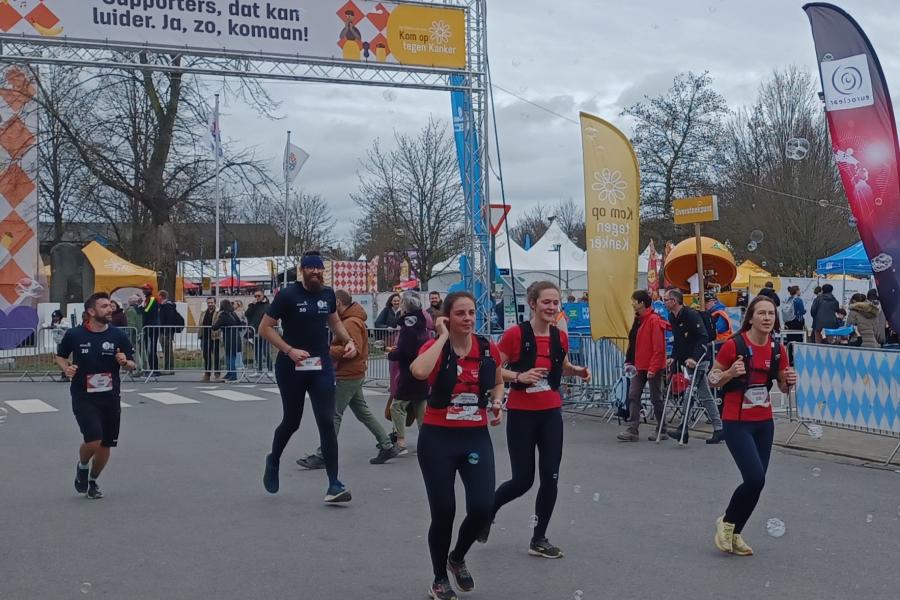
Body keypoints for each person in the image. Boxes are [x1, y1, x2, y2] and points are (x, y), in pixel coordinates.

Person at [484, 281, 590, 559]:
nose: (552, 307)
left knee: (551, 477)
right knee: (522, 480)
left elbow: (561, 367)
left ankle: (539, 538)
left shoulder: (560, 337)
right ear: (532, 303)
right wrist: (518, 376)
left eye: (556, 303)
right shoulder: (515, 335)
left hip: (550, 413)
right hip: (522, 414)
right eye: (546, 302)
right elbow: (491, 368)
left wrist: (577, 371)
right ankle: (487, 512)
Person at [410, 292, 504, 600]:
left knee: (482, 506)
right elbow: (419, 372)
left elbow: (498, 379)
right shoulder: (437, 347)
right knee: (444, 511)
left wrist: (497, 401)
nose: (468, 318)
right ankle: (439, 578)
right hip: (438, 437)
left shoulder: (488, 347)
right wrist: (442, 337)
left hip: (474, 435)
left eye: (471, 312)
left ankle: (457, 556)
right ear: (448, 317)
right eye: (460, 313)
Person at [258, 251, 358, 504]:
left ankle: (334, 484)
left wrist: (349, 341)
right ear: (302, 270)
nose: (316, 273)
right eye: (311, 269)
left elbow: (334, 322)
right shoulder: (288, 295)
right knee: (292, 421)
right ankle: (274, 459)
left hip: (320, 365)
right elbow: (264, 328)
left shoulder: (327, 295)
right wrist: (289, 350)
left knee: (326, 420)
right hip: (291, 366)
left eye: (319, 269)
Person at [708, 296, 796, 556]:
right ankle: (726, 522)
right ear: (751, 318)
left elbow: (783, 386)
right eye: (762, 313)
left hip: (763, 422)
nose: (767, 318)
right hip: (737, 422)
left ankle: (735, 533)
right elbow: (711, 379)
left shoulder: (777, 349)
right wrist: (729, 374)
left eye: (771, 314)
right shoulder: (733, 345)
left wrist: (789, 380)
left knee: (757, 483)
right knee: (754, 477)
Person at [295, 290, 400, 469]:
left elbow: (353, 350)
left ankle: (323, 455)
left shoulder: (350, 323)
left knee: (333, 414)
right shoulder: (353, 319)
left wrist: (326, 350)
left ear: (337, 303)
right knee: (362, 412)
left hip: (348, 374)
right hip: (353, 373)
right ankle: (387, 445)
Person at [54, 292, 136, 500]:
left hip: (110, 396)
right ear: (91, 311)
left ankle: (92, 480)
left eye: (110, 306)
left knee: (106, 444)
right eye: (104, 306)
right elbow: (60, 356)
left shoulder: (118, 335)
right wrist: (66, 368)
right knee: (93, 439)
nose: (110, 309)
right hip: (84, 395)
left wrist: (125, 362)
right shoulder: (75, 334)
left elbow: (133, 364)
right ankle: (82, 466)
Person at [665, 289, 724, 444]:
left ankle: (683, 429)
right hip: (687, 359)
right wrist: (673, 357)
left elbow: (703, 337)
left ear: (674, 301)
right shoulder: (672, 317)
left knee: (689, 392)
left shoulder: (691, 314)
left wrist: (695, 358)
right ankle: (719, 428)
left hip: (699, 359)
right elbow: (679, 341)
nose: (664, 302)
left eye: (666, 300)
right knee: (705, 395)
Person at [617, 290, 668, 442]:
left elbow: (659, 348)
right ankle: (633, 429)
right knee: (633, 395)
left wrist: (653, 368)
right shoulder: (640, 320)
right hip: (639, 366)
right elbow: (633, 344)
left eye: (634, 301)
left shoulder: (653, 320)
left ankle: (662, 429)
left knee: (655, 398)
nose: (632, 303)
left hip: (651, 366)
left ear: (641, 303)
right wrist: (629, 360)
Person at [388, 292, 431, 454]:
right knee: (421, 406)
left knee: (397, 406)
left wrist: (392, 354)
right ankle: (426, 440)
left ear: (405, 307)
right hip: (422, 371)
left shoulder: (407, 327)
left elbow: (405, 351)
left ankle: (401, 441)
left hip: (409, 372)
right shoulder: (422, 325)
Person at [245, 289, 273, 375]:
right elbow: (247, 314)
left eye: (258, 296)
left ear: (263, 295)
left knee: (265, 351)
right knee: (257, 351)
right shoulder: (254, 305)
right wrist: (252, 305)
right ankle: (259, 370)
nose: (257, 298)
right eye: (255, 296)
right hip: (255, 331)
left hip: (265, 331)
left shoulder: (268, 306)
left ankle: (270, 369)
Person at [212, 299, 241, 382]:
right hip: (236, 337)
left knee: (230, 356)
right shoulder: (233, 313)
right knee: (231, 356)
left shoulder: (223, 315)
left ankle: (233, 375)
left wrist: (212, 325)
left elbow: (215, 327)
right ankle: (229, 373)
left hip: (229, 338)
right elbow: (239, 323)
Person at [158, 291, 179, 374]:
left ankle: (169, 368)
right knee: (165, 349)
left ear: (161, 296)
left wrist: (167, 331)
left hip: (166, 331)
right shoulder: (164, 306)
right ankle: (167, 367)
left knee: (168, 350)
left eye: (159, 296)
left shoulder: (168, 306)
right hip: (164, 330)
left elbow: (169, 320)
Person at [200, 297, 221, 382]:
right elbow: (200, 323)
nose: (210, 304)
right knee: (206, 356)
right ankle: (207, 373)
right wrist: (200, 335)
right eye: (208, 303)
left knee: (216, 356)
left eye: (211, 303)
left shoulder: (218, 313)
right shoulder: (203, 312)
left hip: (214, 337)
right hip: (205, 336)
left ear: (215, 303)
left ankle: (217, 373)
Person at [140, 284, 160, 375]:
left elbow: (147, 310)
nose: (144, 291)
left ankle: (154, 369)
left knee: (152, 348)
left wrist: (139, 308)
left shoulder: (152, 299)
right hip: (148, 326)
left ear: (150, 290)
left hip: (152, 326)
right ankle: (151, 368)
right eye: (143, 289)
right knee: (149, 348)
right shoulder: (147, 299)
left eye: (145, 289)